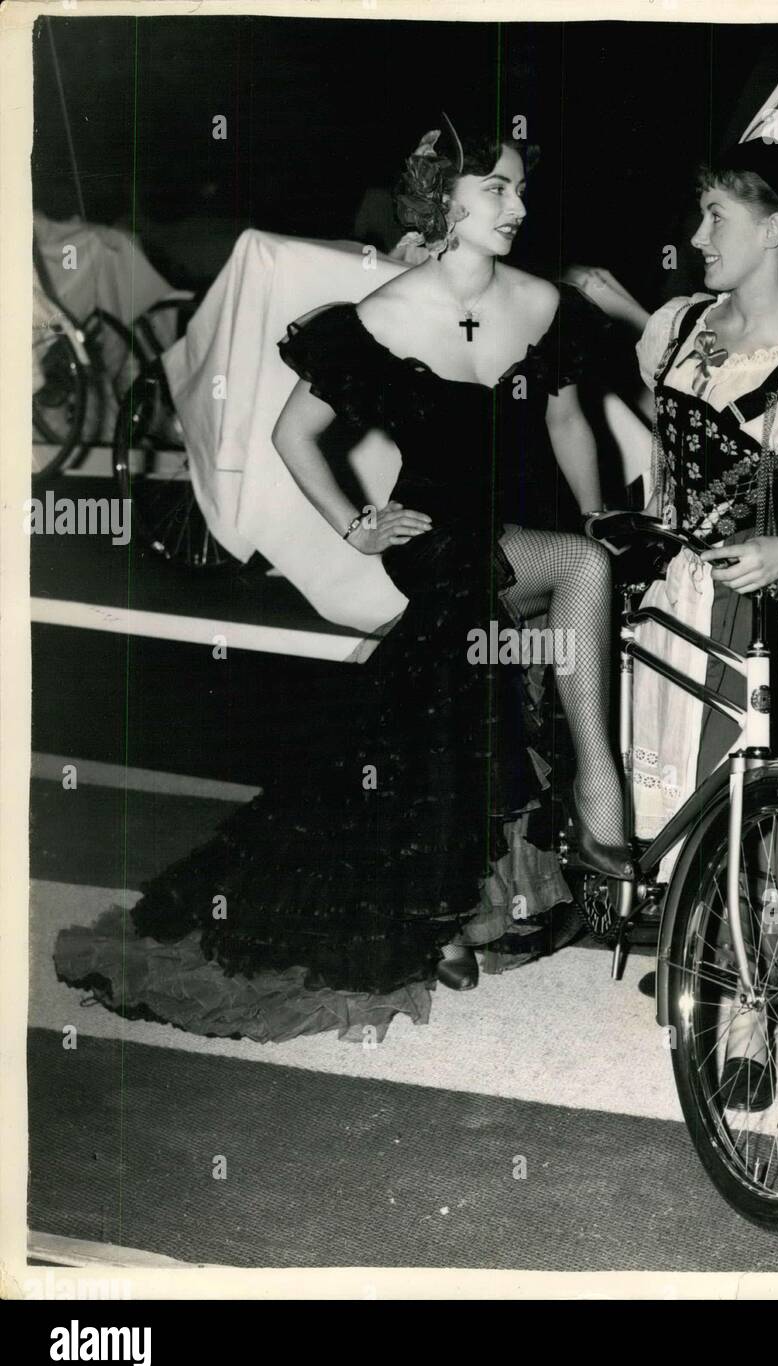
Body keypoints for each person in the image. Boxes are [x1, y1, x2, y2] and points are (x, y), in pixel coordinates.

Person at [53, 116, 632, 1042]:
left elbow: (568, 425)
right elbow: (291, 435)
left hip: (525, 526)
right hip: (437, 535)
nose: (519, 206)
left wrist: (603, 511)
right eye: (499, 189)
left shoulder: (541, 302)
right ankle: (602, 794)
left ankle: (427, 908)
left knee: (448, 688)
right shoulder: (386, 315)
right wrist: (357, 524)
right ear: (446, 201)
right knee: (580, 573)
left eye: (522, 189)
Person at [578, 83, 778, 1107]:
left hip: (751, 613)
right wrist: (611, 300)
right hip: (665, 591)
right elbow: (652, 360)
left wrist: (777, 552)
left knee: (752, 810)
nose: (695, 232)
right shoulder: (686, 324)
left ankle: (748, 1012)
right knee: (671, 792)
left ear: (777, 229)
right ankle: (694, 937)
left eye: (717, 215)